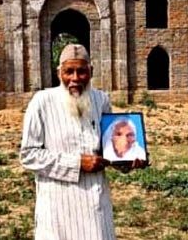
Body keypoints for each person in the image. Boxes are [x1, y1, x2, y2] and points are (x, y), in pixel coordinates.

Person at [20, 44, 123, 240]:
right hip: (58, 206)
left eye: (82, 71)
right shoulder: (42, 101)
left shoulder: (101, 100)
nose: (75, 78)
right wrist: (77, 163)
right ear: (59, 73)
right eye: (69, 71)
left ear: (91, 72)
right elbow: (28, 155)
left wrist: (127, 160)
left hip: (95, 205)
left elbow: (110, 147)